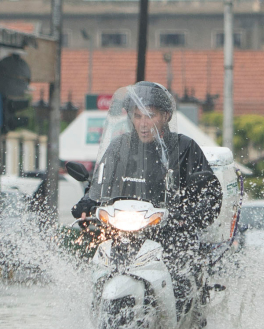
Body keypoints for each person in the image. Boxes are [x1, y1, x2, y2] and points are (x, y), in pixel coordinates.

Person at [72, 81, 221, 310]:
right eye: (137, 116)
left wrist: (191, 213)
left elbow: (209, 192)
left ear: (166, 116)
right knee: (95, 265)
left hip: (170, 233)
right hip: (124, 233)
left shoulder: (184, 147)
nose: (143, 124)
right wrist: (87, 201)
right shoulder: (119, 147)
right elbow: (101, 184)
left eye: (150, 116)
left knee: (182, 278)